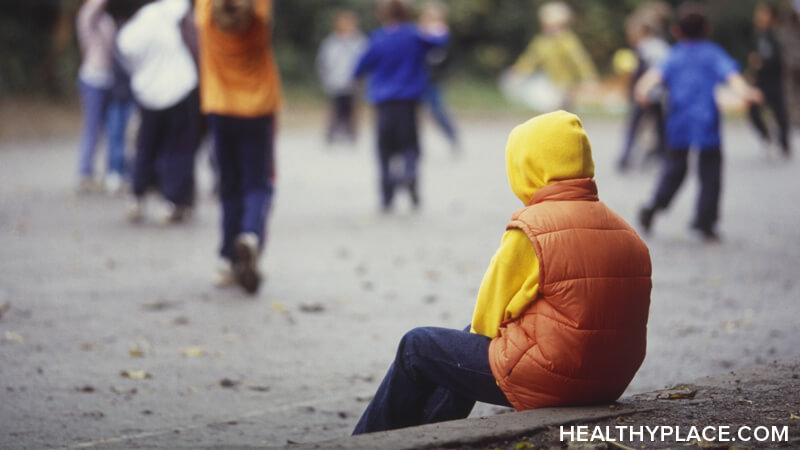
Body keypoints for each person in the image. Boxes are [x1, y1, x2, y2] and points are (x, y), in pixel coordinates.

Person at [352, 110, 652, 434]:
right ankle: (423, 437)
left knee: (418, 347)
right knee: (460, 352)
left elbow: (487, 320)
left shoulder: (532, 230)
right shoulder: (626, 231)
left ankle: (366, 442)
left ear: (527, 168)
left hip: (556, 378)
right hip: (610, 379)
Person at [636, 2, 763, 241]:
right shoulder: (712, 52)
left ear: (677, 31)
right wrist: (748, 93)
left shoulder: (674, 55)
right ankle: (704, 221)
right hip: (706, 124)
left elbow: (649, 80)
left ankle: (653, 206)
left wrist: (641, 93)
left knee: (674, 171)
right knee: (710, 174)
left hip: (679, 124)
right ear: (706, 29)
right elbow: (733, 78)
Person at [196, 0, 282, 294]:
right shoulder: (258, 17)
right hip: (257, 110)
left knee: (229, 184)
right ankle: (251, 235)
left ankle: (226, 258)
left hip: (220, 108)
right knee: (258, 183)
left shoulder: (207, 16)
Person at [353, 0, 448, 212]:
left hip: (384, 103)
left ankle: (387, 195)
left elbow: (359, 66)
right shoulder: (415, 35)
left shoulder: (378, 38)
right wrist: (438, 24)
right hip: (409, 102)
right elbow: (440, 41)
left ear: (383, 15)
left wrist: (354, 80)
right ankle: (410, 172)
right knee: (410, 146)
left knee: (384, 150)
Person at [117, 0, 202, 224]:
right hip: (180, 88)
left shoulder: (139, 23)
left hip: (149, 92)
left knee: (146, 145)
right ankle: (172, 201)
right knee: (179, 148)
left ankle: (137, 195)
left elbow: (124, 46)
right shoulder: (169, 11)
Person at [508, 1, 597, 110]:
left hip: (566, 84)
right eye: (547, 26)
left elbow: (580, 61)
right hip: (550, 83)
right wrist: (520, 71)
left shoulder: (568, 41)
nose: (552, 29)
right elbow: (530, 59)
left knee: (562, 107)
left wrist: (589, 79)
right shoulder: (542, 42)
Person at [617, 15, 671, 171]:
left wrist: (633, 89)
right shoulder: (662, 46)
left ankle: (625, 157)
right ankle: (663, 155)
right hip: (659, 94)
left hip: (644, 93)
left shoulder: (644, 48)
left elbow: (640, 72)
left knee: (634, 126)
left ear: (642, 32)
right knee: (660, 127)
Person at [75, 0, 116, 193]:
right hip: (92, 78)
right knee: (92, 127)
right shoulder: (86, 17)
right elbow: (91, 9)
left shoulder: (107, 21)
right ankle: (85, 172)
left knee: (112, 129)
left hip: (109, 79)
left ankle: (112, 171)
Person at [316, 10, 366, 145]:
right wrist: (326, 77)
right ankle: (330, 134)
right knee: (334, 109)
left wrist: (359, 77)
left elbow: (364, 60)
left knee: (352, 109)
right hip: (334, 82)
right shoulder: (330, 42)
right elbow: (323, 62)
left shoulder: (359, 41)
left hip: (352, 82)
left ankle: (352, 134)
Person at [748, 3, 791, 158]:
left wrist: (763, 63)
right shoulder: (758, 35)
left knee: (779, 112)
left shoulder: (777, 35)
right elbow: (754, 56)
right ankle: (766, 136)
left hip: (774, 79)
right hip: (760, 80)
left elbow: (781, 58)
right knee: (752, 110)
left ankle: (784, 144)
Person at [419, 1, 458, 151]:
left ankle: (451, 135)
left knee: (436, 110)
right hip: (419, 78)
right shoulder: (423, 32)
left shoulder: (439, 32)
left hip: (431, 79)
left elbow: (438, 49)